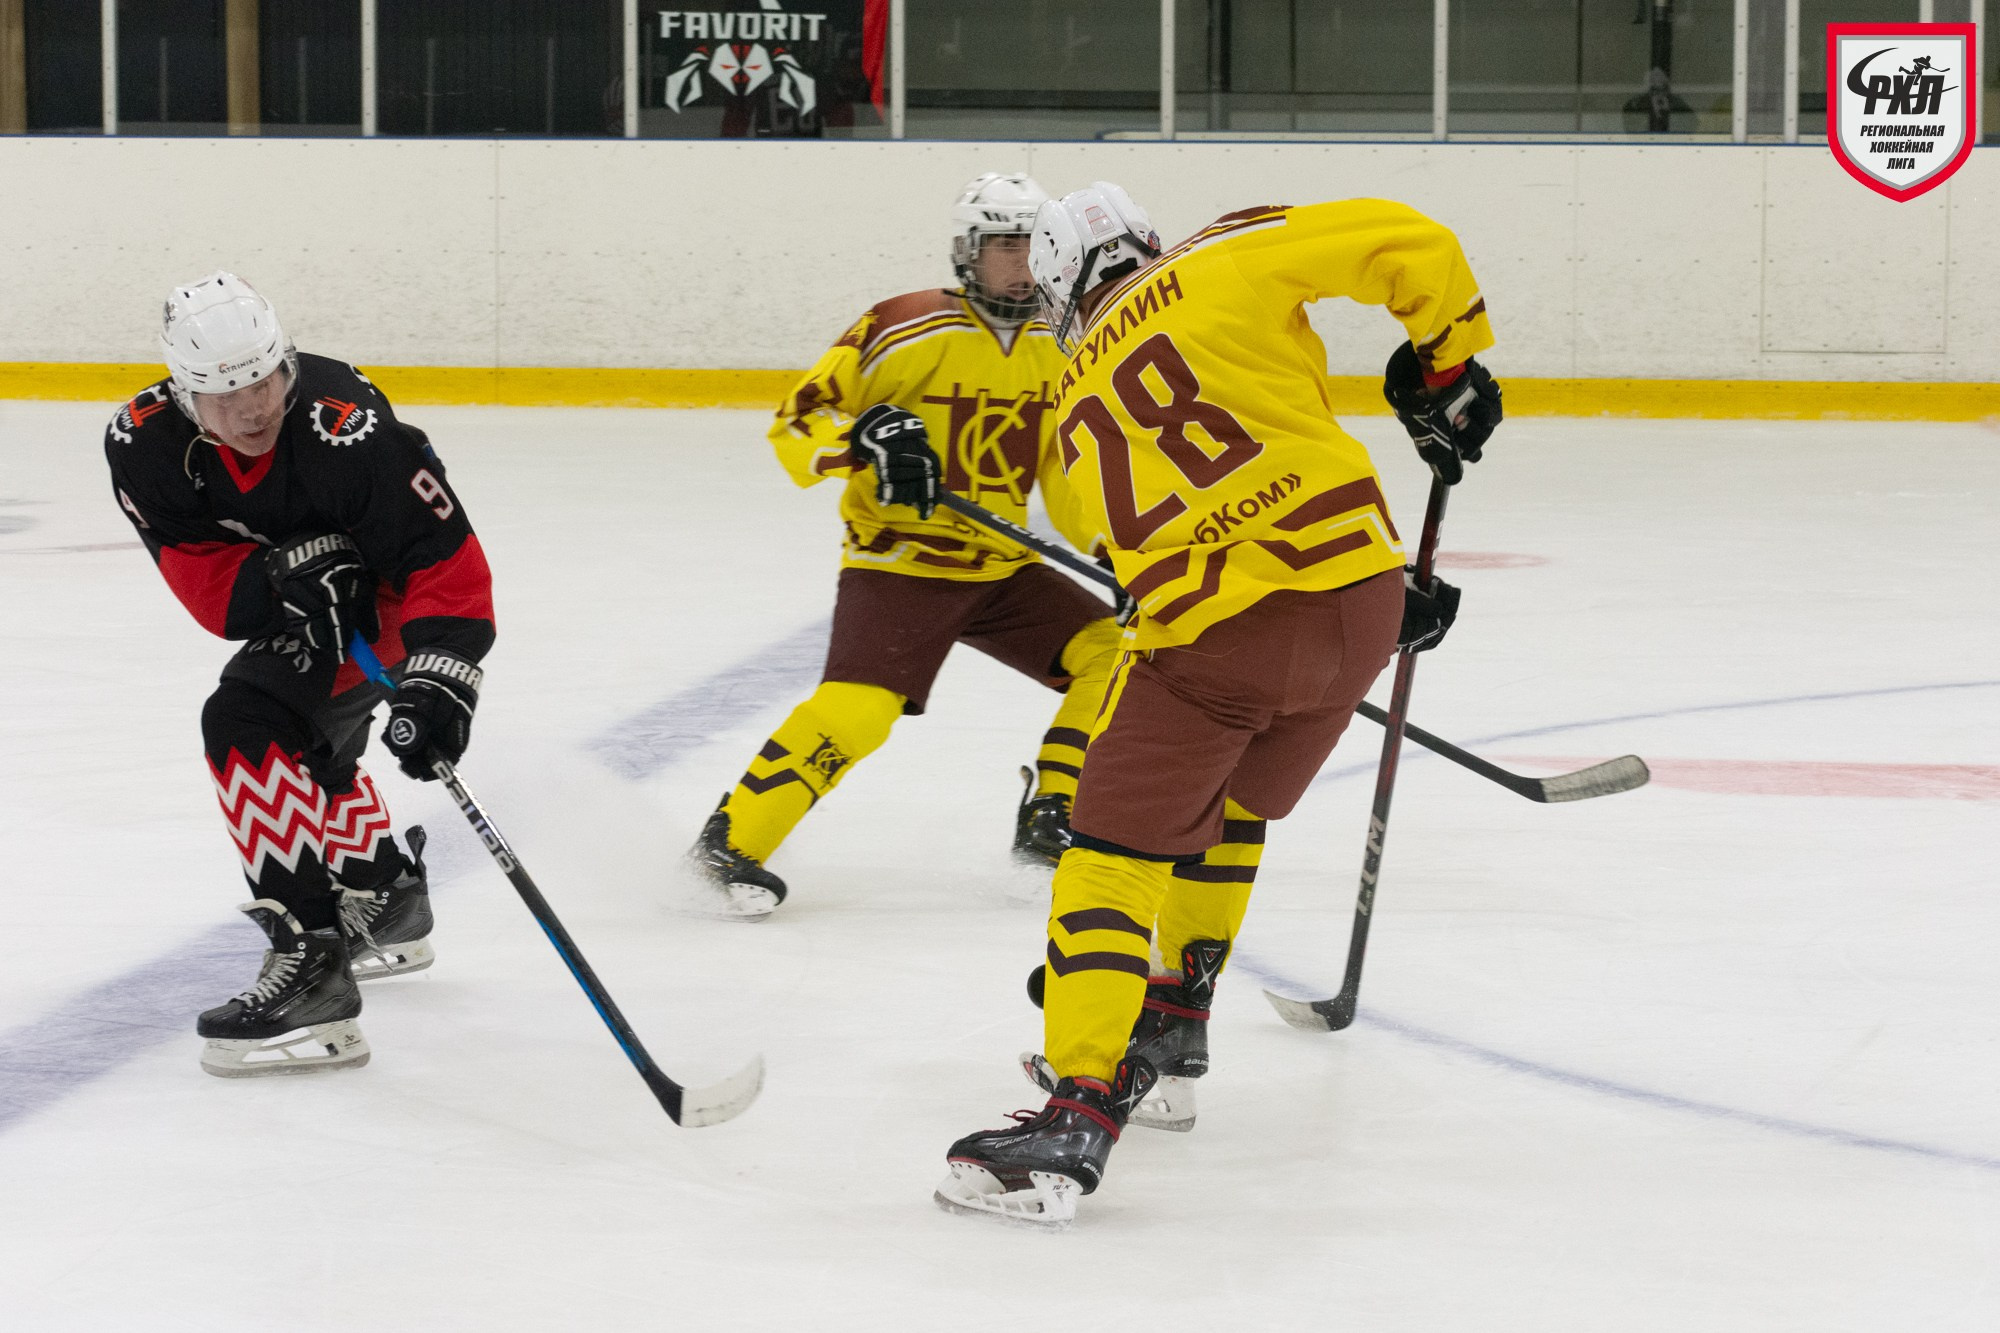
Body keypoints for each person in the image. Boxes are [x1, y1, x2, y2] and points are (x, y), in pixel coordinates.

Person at [934, 185, 1503, 1226]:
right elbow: (1413, 241)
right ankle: (1170, 1019)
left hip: (1216, 634)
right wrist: (1445, 366)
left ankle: (1077, 1109)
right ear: (1143, 242)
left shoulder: (1067, 405)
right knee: (1233, 803)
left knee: (1109, 850)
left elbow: (1118, 550)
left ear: (1064, 292)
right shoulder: (1224, 253)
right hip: (1360, 600)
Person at [685, 173, 1122, 919]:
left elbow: (1063, 469)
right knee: (860, 711)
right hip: (899, 561)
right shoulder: (905, 326)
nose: (1021, 262)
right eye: (1005, 245)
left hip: (1002, 567)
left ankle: (1054, 813)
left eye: (1035, 245)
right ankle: (731, 840)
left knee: (1113, 655)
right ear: (969, 251)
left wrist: (1117, 547)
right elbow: (797, 424)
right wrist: (864, 440)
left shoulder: (1063, 344)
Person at [105, 272, 496, 1077]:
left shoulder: (347, 426)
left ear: (285, 361)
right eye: (225, 395)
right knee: (299, 734)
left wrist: (437, 682)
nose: (252, 406)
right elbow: (203, 580)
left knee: (248, 722)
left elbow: (444, 562)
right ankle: (382, 891)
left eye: (265, 379)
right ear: (185, 395)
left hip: (386, 600)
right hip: (304, 608)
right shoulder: (142, 445)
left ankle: (312, 961)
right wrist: (275, 577)